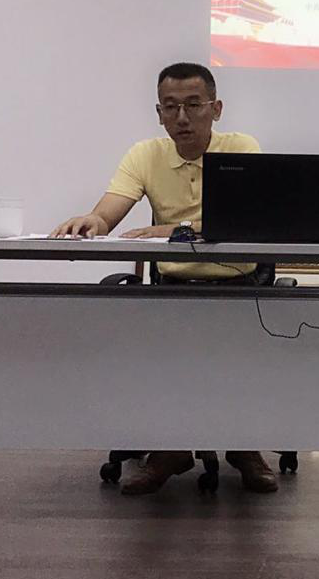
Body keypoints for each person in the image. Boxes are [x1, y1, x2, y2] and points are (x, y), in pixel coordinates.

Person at [51, 62, 278, 495]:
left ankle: (244, 447)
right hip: (174, 288)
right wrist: (93, 221)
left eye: (193, 105)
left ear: (216, 109)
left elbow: (244, 221)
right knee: (160, 357)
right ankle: (170, 449)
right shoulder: (145, 154)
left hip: (240, 288)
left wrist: (172, 230)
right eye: (170, 107)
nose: (182, 117)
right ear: (159, 114)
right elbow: (108, 213)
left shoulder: (241, 148)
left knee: (238, 362)